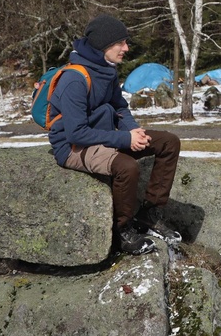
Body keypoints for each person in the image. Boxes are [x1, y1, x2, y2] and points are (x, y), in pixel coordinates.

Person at [48, 14, 182, 256]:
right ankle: (123, 230)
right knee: (127, 167)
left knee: (168, 143)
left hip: (104, 135)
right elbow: (77, 133)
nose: (126, 48)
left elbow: (119, 106)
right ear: (103, 45)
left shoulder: (106, 70)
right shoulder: (74, 80)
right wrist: (124, 140)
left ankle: (149, 214)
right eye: (121, 43)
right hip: (72, 147)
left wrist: (132, 129)